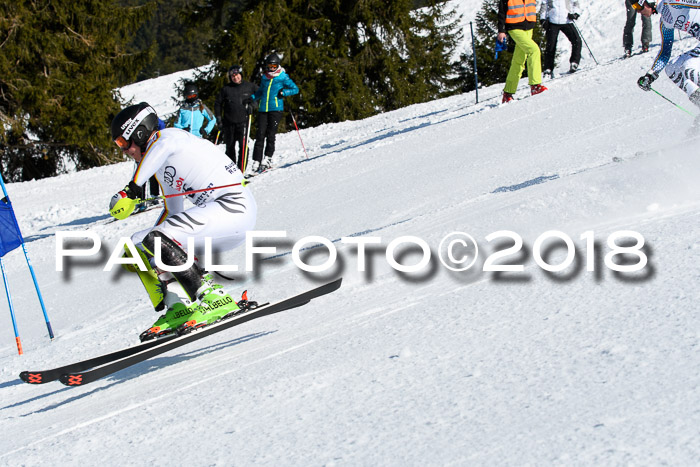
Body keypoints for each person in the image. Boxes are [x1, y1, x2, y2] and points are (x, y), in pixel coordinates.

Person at [108, 102, 257, 340]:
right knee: (136, 245)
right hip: (217, 217)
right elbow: (173, 212)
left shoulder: (170, 138)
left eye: (123, 143)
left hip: (234, 207)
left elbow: (162, 146)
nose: (124, 150)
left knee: (157, 238)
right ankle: (177, 306)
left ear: (139, 132)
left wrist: (132, 189)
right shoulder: (162, 166)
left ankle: (213, 298)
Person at [635, 1, 700, 112]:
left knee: (688, 66)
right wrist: (650, 75)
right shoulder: (665, 21)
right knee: (672, 68)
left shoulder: (673, 2)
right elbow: (665, 52)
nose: (638, 11)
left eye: (637, 6)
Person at [250, 53, 299, 172]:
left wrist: (284, 93)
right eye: (269, 66)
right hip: (263, 109)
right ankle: (256, 160)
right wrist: (251, 98)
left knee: (271, 134)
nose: (271, 68)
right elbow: (261, 91)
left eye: (273, 66)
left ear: (277, 66)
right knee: (260, 134)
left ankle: (267, 158)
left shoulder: (282, 76)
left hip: (276, 109)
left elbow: (295, 89)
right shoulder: (264, 77)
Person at [497, 0, 548, 103]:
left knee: (519, 60)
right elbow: (502, 11)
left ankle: (508, 93)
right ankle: (535, 85)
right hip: (514, 28)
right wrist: (501, 30)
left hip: (529, 27)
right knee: (534, 50)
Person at [215, 65, 258, 173]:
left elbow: (260, 95)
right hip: (229, 122)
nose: (235, 78)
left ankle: (241, 171)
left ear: (241, 75)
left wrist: (253, 105)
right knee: (230, 147)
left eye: (237, 75)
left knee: (243, 147)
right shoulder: (226, 89)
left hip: (244, 122)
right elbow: (218, 104)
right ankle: (232, 171)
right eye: (233, 76)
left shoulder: (249, 86)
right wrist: (219, 119)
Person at [539, 0, 583, 77]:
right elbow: (544, 4)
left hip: (566, 20)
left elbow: (575, 2)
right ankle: (548, 69)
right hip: (553, 21)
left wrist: (575, 14)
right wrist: (543, 18)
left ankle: (574, 62)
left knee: (577, 40)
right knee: (551, 45)